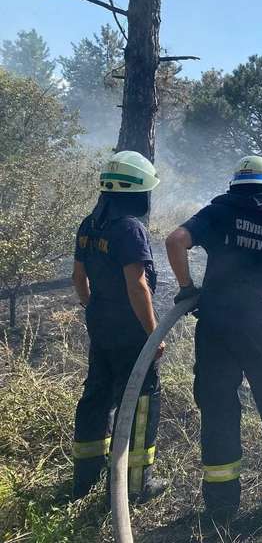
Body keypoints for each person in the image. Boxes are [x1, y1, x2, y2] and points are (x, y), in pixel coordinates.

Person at [166, 156, 262, 521]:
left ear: (236, 186)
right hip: (261, 327)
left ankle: (221, 506)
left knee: (218, 409)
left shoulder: (217, 214)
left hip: (215, 325)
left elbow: (175, 241)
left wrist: (187, 289)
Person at [71, 150, 166, 501]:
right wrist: (153, 332)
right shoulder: (130, 228)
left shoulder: (90, 224)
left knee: (97, 393)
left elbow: (79, 277)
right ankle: (138, 482)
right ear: (137, 192)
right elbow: (137, 285)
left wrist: (91, 306)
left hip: (100, 323)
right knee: (142, 398)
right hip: (130, 331)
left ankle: (86, 476)